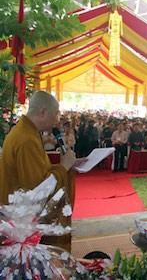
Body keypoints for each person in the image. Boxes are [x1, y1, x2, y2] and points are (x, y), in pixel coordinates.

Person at [0, 91, 86, 252]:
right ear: (42, 112)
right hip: (23, 221)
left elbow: (39, 173)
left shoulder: (27, 131)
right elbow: (38, 189)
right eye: (55, 114)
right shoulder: (26, 139)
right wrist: (63, 167)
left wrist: (68, 164)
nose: (56, 120)